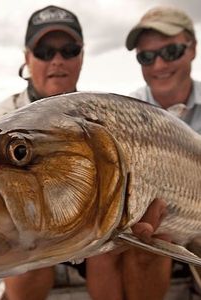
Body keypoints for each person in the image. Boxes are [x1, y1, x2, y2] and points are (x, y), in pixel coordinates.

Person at [0, 5, 169, 300]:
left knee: (117, 244)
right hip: (33, 228)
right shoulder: (3, 120)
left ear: (82, 56)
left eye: (69, 50)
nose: (57, 60)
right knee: (24, 249)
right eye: (45, 51)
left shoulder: (97, 114)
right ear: (27, 59)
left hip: (89, 225)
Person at [124, 5, 201, 300]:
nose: (158, 65)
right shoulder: (126, 111)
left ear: (192, 48)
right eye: (146, 56)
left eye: (170, 52)